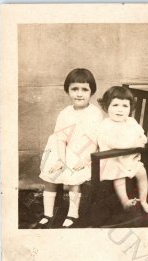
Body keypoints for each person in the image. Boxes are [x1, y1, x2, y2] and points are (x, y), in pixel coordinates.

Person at [37, 68, 103, 228]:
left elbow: (96, 141)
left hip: (86, 153)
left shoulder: (95, 113)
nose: (79, 94)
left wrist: (85, 159)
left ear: (91, 92)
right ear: (67, 90)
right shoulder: (65, 113)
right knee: (51, 173)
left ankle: (73, 213)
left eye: (84, 89)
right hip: (64, 149)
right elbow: (60, 138)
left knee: (74, 176)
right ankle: (48, 213)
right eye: (74, 89)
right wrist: (60, 159)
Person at [97, 86, 148, 213]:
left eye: (125, 106)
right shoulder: (106, 125)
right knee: (119, 176)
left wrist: (142, 138)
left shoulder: (131, 121)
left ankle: (143, 200)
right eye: (115, 105)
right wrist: (135, 143)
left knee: (142, 173)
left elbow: (141, 133)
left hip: (131, 159)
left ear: (130, 109)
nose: (120, 110)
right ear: (106, 107)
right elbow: (113, 143)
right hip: (113, 160)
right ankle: (125, 201)